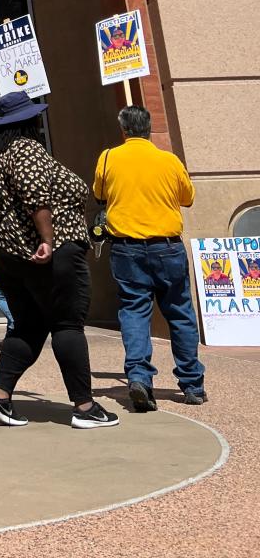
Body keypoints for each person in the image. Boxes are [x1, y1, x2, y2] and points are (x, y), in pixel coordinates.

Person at [0, 91, 118, 431]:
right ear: (30, 122)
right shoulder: (26, 150)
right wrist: (47, 239)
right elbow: (35, 196)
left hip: (11, 254)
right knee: (67, 323)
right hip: (49, 252)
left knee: (30, 324)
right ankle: (85, 406)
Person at [93, 105, 206, 411]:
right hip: (167, 246)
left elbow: (99, 193)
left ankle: (140, 378)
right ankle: (192, 384)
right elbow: (188, 198)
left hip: (126, 248)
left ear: (124, 130)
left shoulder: (108, 158)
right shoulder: (169, 161)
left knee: (134, 313)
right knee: (180, 313)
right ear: (149, 128)